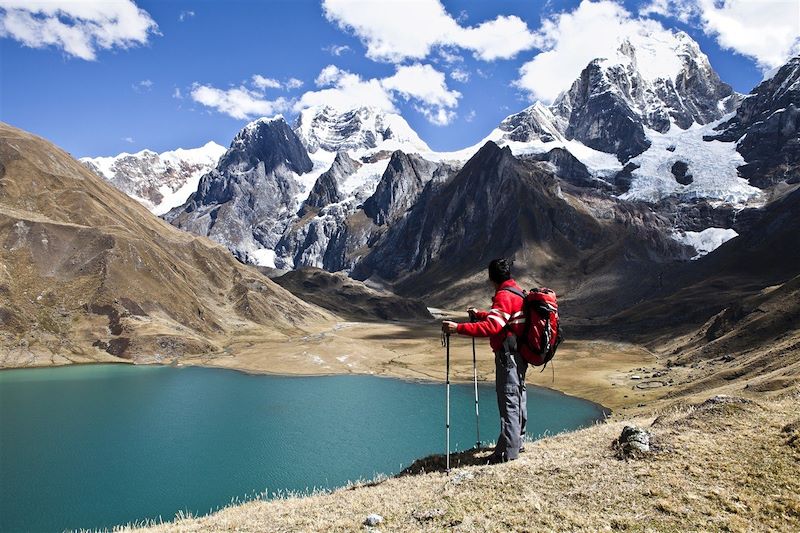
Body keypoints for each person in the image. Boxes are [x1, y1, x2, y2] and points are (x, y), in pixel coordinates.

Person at [442, 258, 527, 464]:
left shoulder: (504, 296)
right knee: (518, 396)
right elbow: (500, 319)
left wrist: (457, 328)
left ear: (491, 278)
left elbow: (492, 327)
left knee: (509, 400)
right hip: (519, 354)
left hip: (509, 357)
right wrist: (480, 315)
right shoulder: (517, 291)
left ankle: (507, 452)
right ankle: (518, 442)